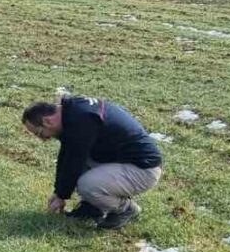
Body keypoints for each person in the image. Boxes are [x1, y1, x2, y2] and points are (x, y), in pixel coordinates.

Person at [22, 95, 163, 229]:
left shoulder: (82, 119)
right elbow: (67, 155)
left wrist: (61, 196)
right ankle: (92, 207)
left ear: (47, 121)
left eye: (40, 133)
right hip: (125, 161)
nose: (42, 139)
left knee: (87, 184)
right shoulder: (72, 112)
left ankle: (126, 208)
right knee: (78, 166)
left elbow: (75, 160)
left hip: (143, 169)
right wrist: (59, 192)